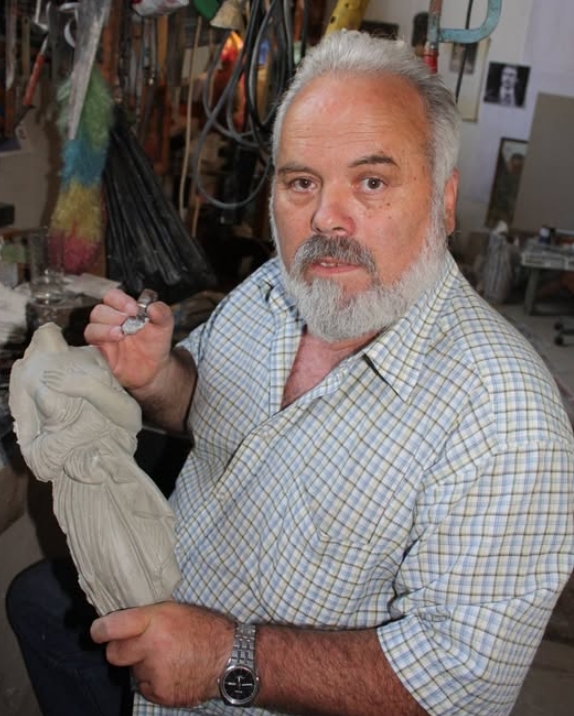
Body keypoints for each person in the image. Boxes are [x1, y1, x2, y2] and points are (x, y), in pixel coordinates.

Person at [7, 30, 574, 716]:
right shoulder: (273, 289)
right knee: (34, 600)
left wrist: (230, 659)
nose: (326, 218)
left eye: (371, 181)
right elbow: (200, 408)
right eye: (302, 182)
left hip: (237, 691)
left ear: (444, 201)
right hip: (162, 611)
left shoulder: (508, 418)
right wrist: (156, 377)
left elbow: (462, 684)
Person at [9, 323, 181, 616]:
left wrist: (87, 388)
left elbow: (131, 420)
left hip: (121, 474)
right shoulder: (24, 373)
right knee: (127, 582)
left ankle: (171, 635)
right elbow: (37, 463)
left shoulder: (92, 356)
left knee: (159, 574)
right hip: (84, 489)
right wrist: (79, 432)